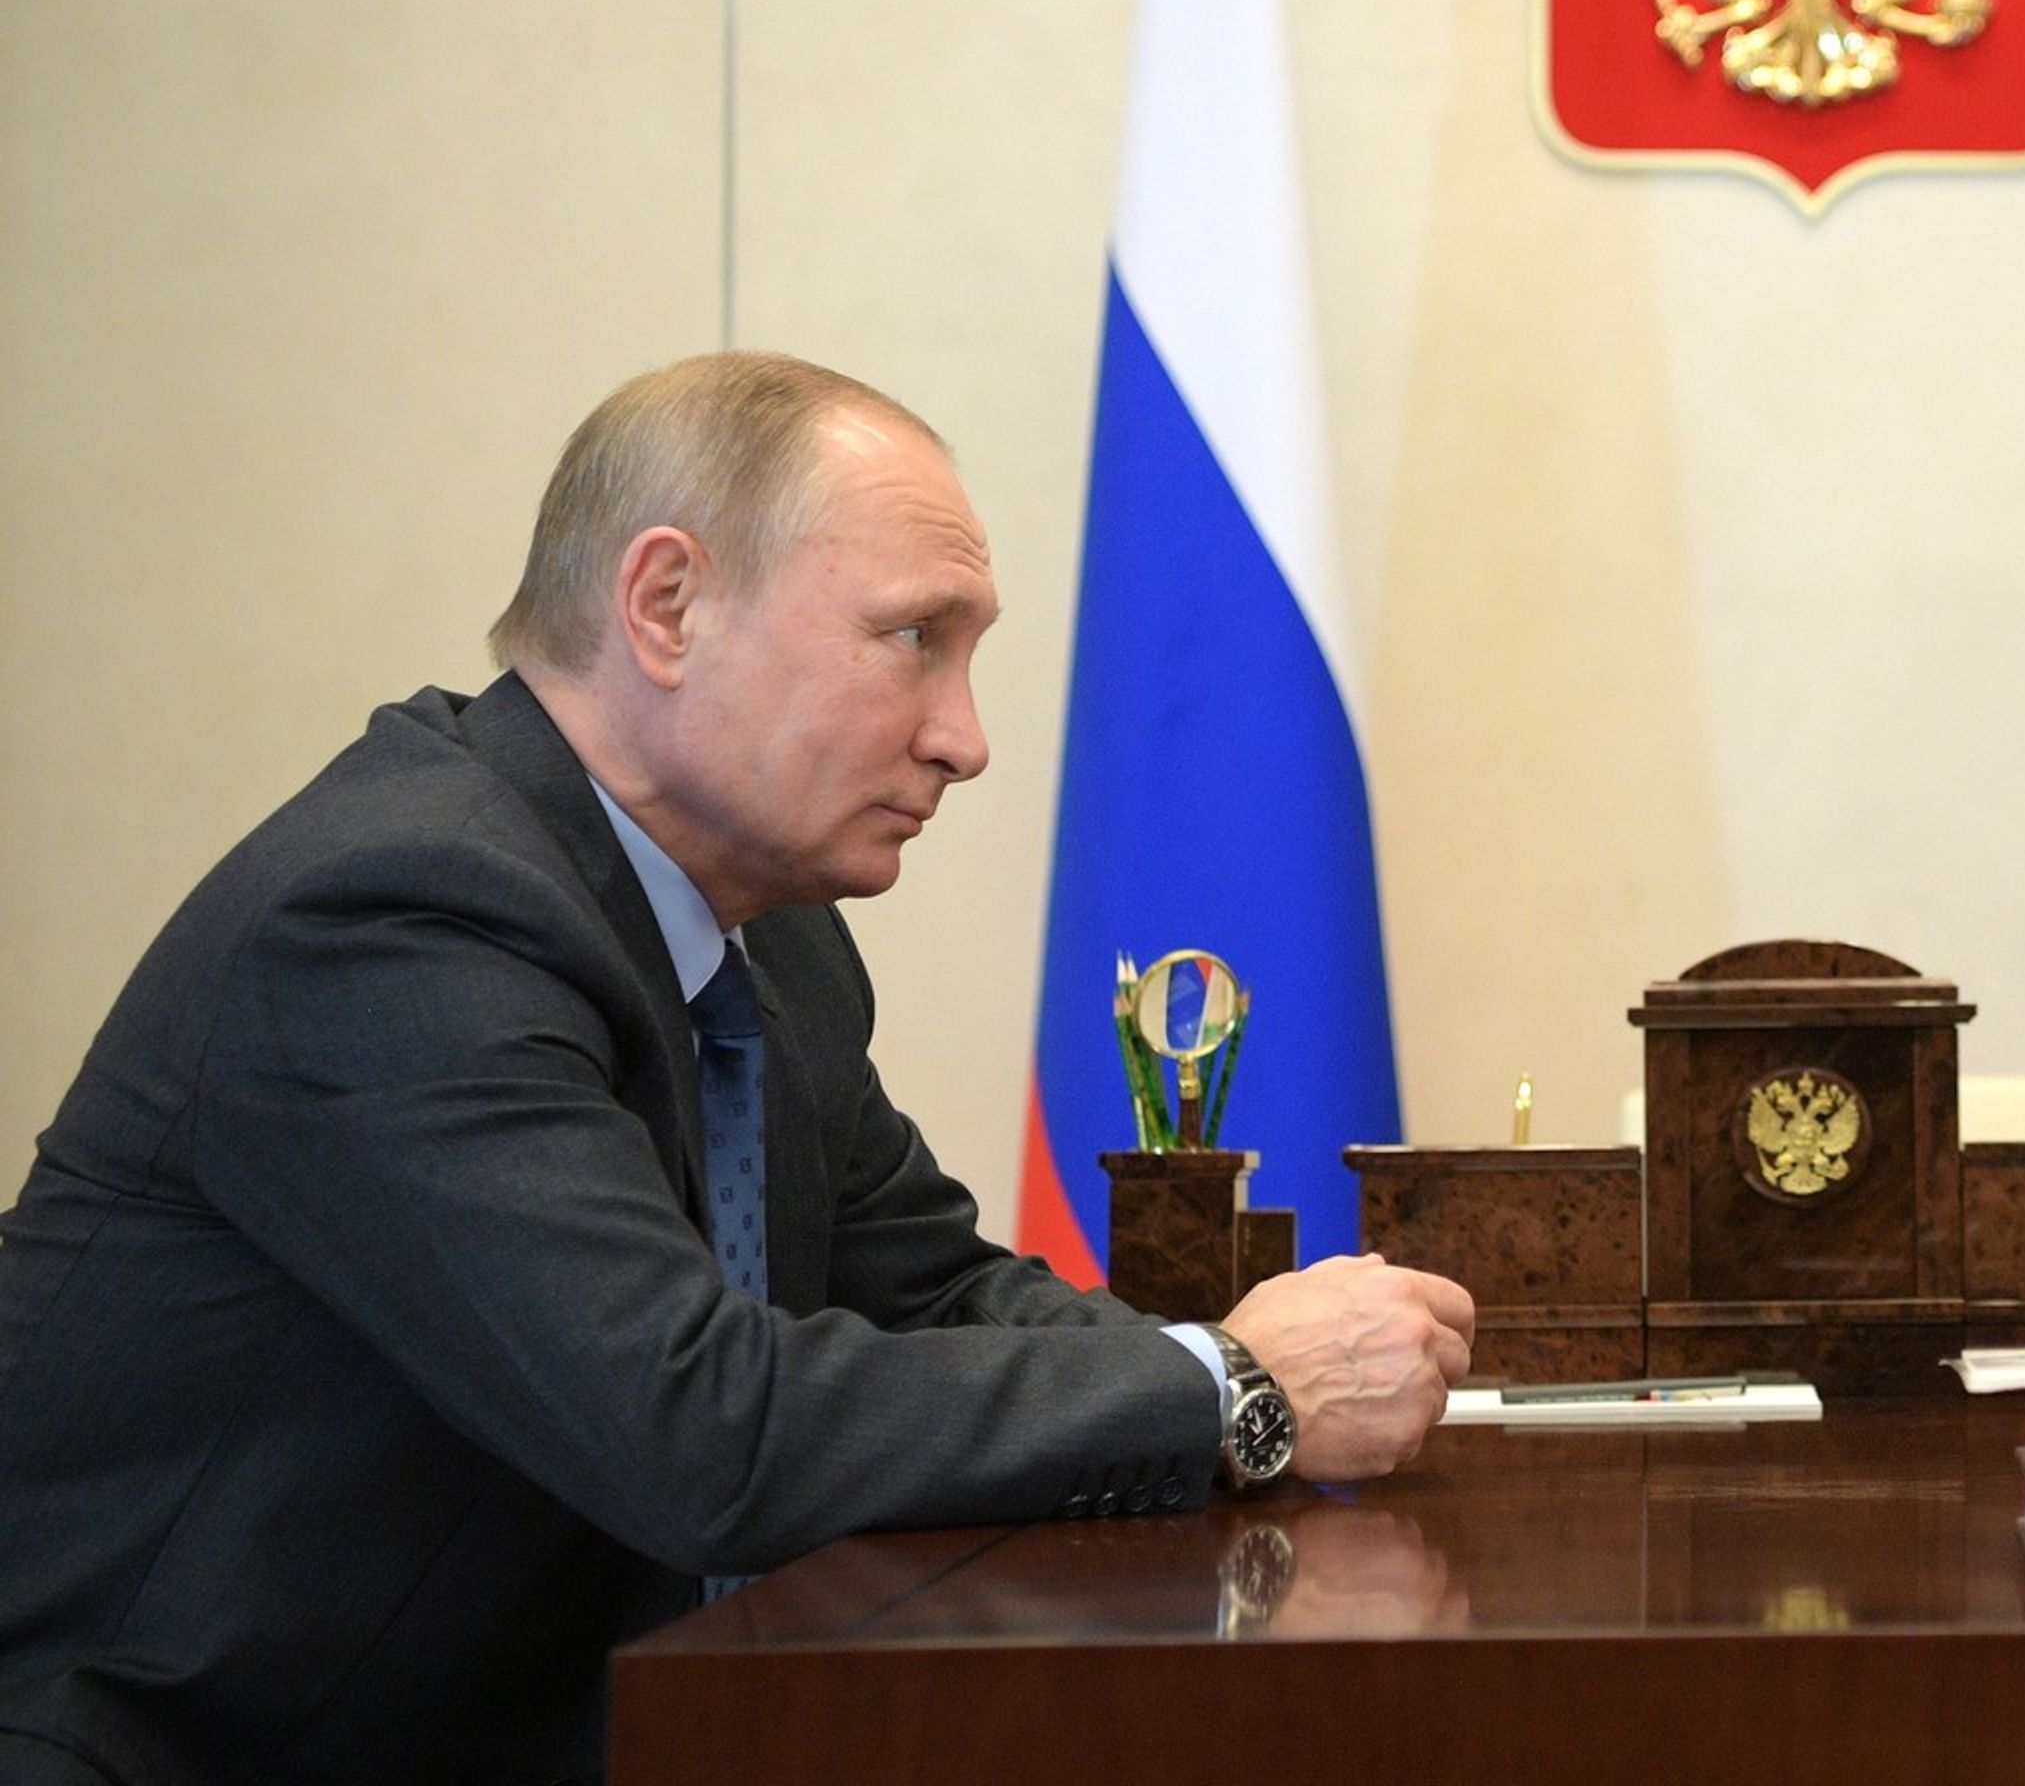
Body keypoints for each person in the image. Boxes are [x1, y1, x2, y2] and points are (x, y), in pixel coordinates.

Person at [0, 355, 1476, 1785]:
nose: (965, 740)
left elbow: (942, 1293)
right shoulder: (396, 916)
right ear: (667, 606)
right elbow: (694, 1429)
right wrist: (1233, 1393)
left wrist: (1236, 1377)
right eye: (914, 639)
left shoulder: (774, 944)